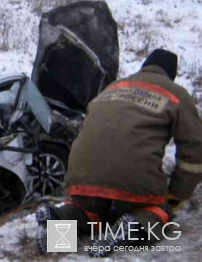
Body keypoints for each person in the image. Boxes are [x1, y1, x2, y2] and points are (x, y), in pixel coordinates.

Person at [35, 49, 202, 257]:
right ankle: (131, 226)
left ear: (145, 66)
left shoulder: (114, 87)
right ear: (171, 74)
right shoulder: (175, 94)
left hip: (82, 172)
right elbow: (195, 150)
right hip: (132, 174)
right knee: (158, 210)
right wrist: (176, 194)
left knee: (91, 211)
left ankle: (58, 224)